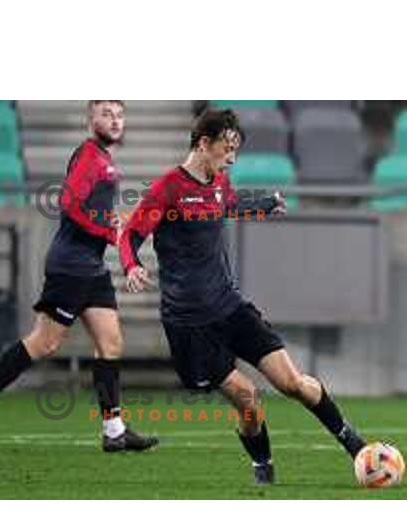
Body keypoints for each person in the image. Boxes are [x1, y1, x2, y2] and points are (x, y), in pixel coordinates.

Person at [118, 108, 366, 484]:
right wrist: (132, 265)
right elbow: (130, 235)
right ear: (204, 144)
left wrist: (264, 203)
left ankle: (356, 446)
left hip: (230, 307)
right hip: (189, 323)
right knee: (249, 399)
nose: (232, 157)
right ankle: (263, 466)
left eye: (236, 149)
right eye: (227, 147)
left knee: (292, 383)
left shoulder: (220, 182)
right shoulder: (168, 188)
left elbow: (227, 205)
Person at [0, 100, 157, 453]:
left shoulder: (106, 161)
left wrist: (112, 228)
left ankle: (114, 431)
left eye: (119, 114)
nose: (114, 120)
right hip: (70, 266)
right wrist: (110, 231)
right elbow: (70, 206)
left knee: (111, 343)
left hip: (91, 268)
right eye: (106, 113)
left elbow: (92, 210)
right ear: (90, 118)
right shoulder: (89, 156)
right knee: (45, 343)